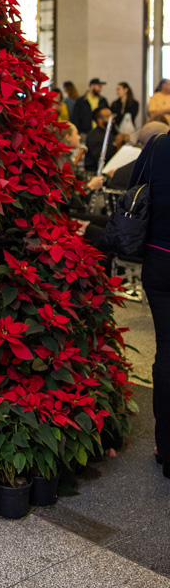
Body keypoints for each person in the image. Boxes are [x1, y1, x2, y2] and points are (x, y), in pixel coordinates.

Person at [130, 128, 170, 479]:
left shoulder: (158, 146)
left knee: (167, 353)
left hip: (160, 260)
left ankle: (166, 446)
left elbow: (132, 184)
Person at [84, 106, 115, 173]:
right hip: (95, 171)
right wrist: (115, 144)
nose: (112, 119)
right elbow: (100, 158)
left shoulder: (110, 132)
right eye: (108, 116)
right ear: (99, 120)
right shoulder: (94, 136)